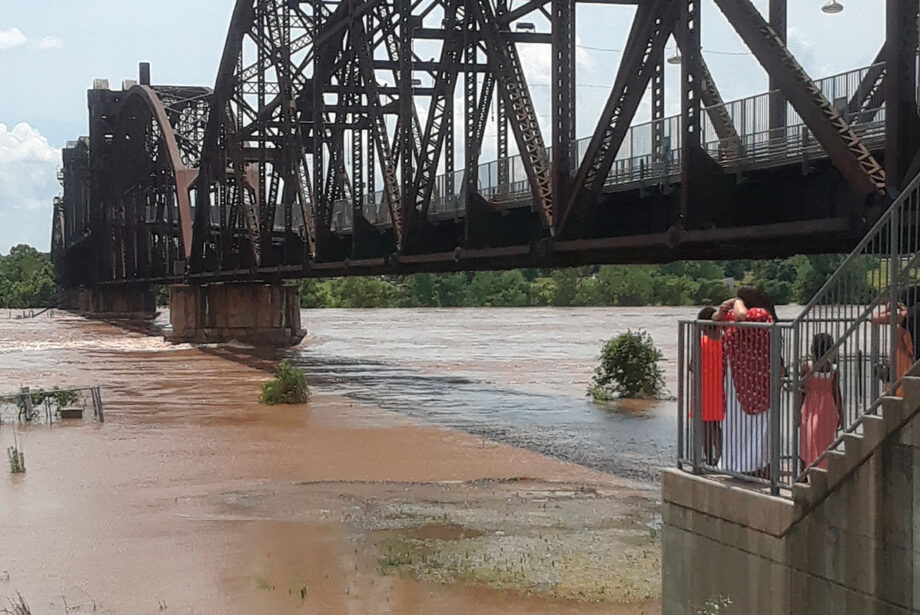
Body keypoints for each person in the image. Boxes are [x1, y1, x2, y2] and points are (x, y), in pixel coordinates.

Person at [712, 286, 775, 476]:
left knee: (759, 426)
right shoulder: (740, 314)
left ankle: (757, 466)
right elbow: (716, 320)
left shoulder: (761, 314)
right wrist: (723, 309)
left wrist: (738, 301)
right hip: (738, 380)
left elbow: (741, 317)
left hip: (758, 380)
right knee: (736, 424)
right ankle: (737, 464)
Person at [800, 333, 843, 470]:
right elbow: (837, 393)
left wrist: (797, 411)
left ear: (813, 348)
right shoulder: (833, 370)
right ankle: (823, 470)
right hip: (828, 408)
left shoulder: (806, 368)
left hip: (810, 406)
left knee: (806, 441)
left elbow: (802, 391)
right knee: (825, 441)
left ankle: (804, 474)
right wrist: (841, 414)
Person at [694, 306, 724, 465]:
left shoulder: (702, 343)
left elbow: (693, 366)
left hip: (704, 390)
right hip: (720, 390)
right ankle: (721, 455)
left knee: (705, 427)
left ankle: (709, 458)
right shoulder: (725, 342)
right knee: (716, 426)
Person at [871, 300, 914, 395]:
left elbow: (874, 318)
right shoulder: (909, 316)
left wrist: (887, 310)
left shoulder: (906, 315)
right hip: (904, 359)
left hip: (905, 359)